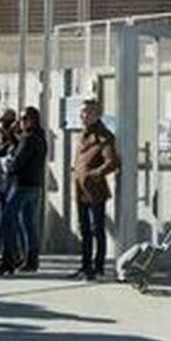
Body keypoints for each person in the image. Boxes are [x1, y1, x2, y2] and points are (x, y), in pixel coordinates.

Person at [0, 107, 47, 276]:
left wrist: (8, 164)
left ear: (33, 120)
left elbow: (17, 164)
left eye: (25, 119)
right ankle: (31, 259)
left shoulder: (29, 138)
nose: (22, 122)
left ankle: (9, 259)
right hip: (35, 184)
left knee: (8, 220)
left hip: (21, 184)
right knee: (28, 224)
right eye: (21, 119)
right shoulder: (40, 137)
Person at [71, 100, 118, 281]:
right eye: (82, 112)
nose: (83, 116)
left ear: (97, 115)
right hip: (81, 190)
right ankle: (85, 266)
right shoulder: (82, 135)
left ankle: (98, 267)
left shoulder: (104, 136)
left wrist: (94, 174)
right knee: (84, 230)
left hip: (95, 191)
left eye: (87, 113)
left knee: (96, 229)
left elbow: (112, 162)